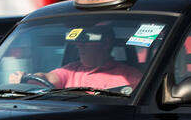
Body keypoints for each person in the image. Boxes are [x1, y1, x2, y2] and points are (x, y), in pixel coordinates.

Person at [9, 24, 141, 90]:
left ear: (105, 43)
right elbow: (48, 78)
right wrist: (26, 77)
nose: (79, 45)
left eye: (86, 40)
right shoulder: (71, 70)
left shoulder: (130, 76)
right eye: (78, 41)